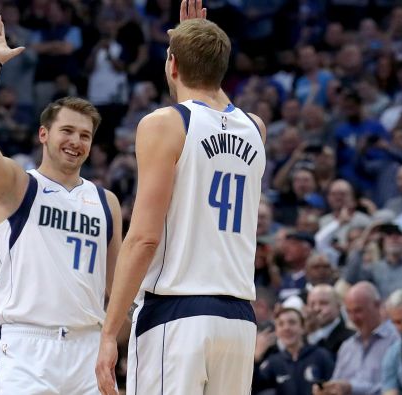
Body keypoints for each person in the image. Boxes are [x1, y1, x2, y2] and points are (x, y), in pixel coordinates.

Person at [96, 1, 267, 394]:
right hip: (239, 319)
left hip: (177, 312)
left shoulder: (164, 124)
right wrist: (202, 44)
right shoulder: (255, 128)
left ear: (172, 65)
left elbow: (143, 238)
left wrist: (109, 332)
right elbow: (213, 94)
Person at [0, 14, 122, 394]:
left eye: (85, 135)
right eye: (67, 131)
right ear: (44, 134)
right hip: (28, 347)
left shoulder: (105, 201)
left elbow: (118, 289)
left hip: (87, 349)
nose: (75, 141)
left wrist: (119, 344)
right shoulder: (17, 185)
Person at [313, 282, 399, 395]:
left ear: (377, 305)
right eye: (349, 312)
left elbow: (398, 388)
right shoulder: (347, 347)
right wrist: (327, 389)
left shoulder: (395, 341)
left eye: (358, 311)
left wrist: (351, 388)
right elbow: (337, 384)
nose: (353, 318)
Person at [254, 308, 335, 395]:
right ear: (276, 331)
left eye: (292, 322)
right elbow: (254, 388)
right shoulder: (273, 362)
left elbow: (335, 387)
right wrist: (256, 359)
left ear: (303, 328)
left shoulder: (321, 355)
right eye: (281, 324)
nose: (286, 328)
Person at [305, 284, 354, 358]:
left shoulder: (350, 339)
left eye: (323, 303)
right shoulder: (302, 339)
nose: (317, 308)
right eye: (312, 304)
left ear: (338, 306)